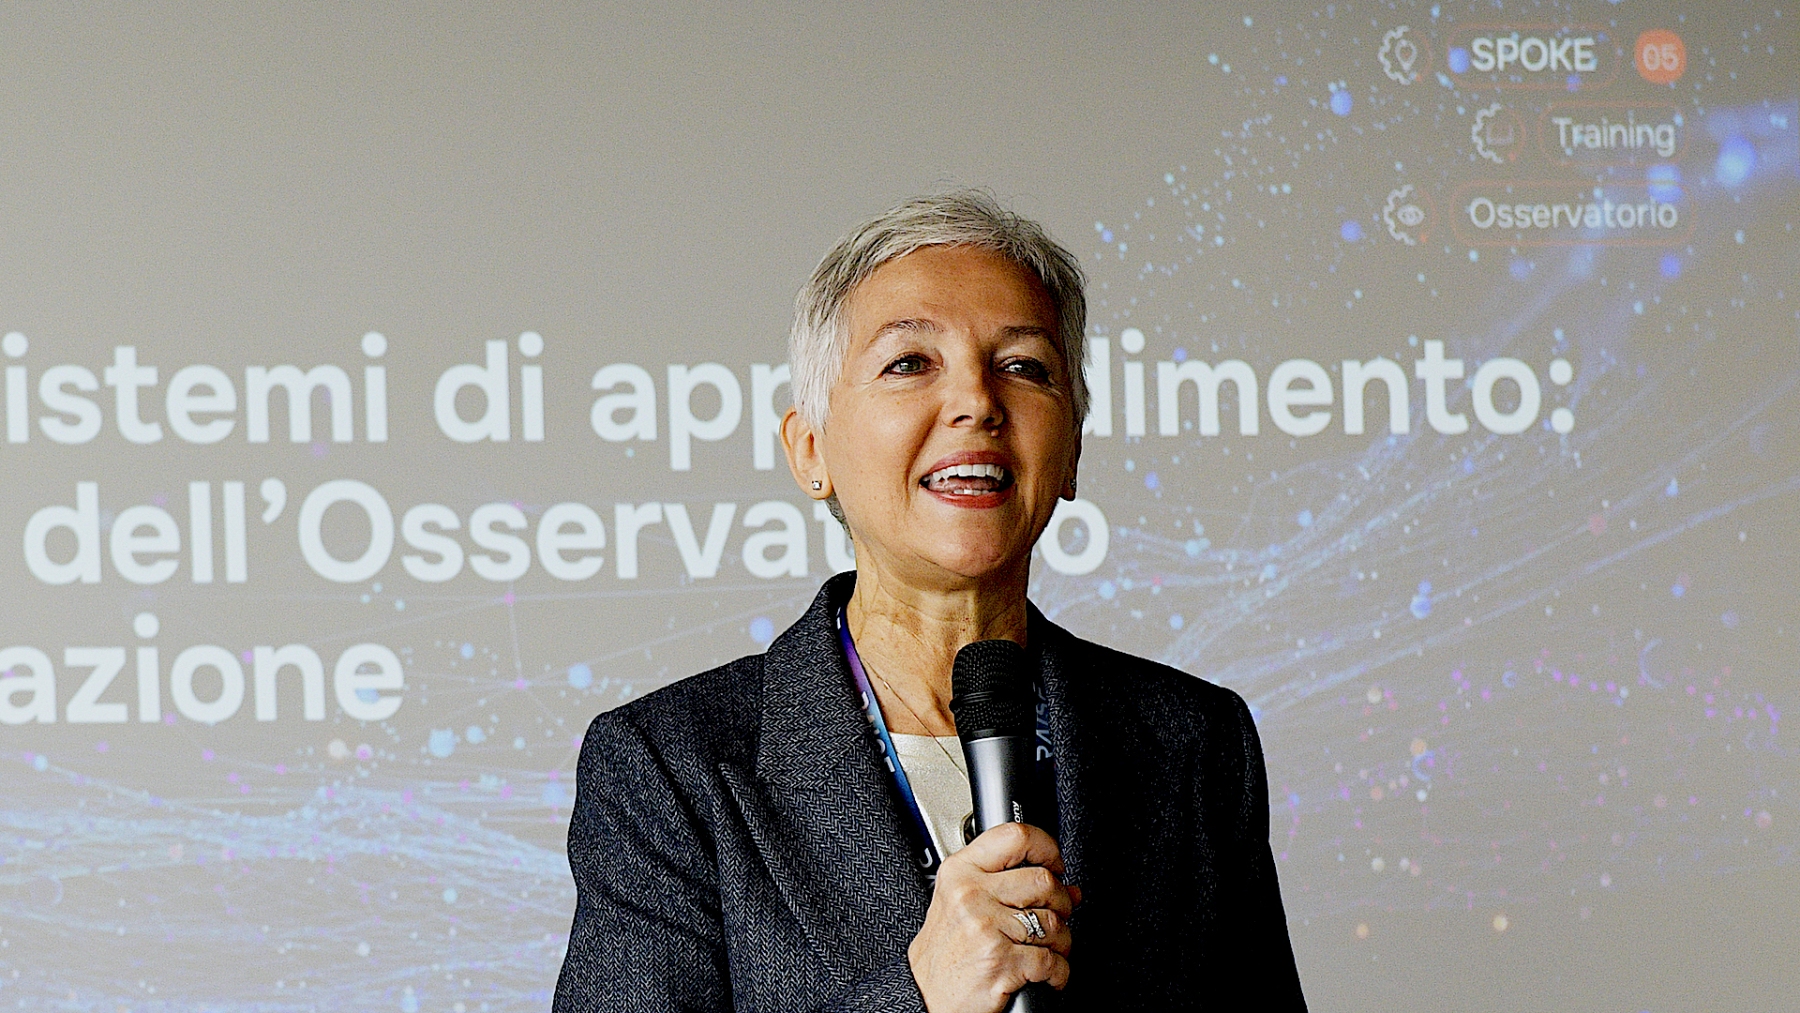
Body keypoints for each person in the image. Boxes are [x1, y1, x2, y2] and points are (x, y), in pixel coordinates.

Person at [554, 191, 1307, 1012]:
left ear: (1071, 452)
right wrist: (920, 995)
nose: (978, 401)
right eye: (910, 362)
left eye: (1024, 366)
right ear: (811, 449)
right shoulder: (671, 766)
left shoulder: (1193, 742)